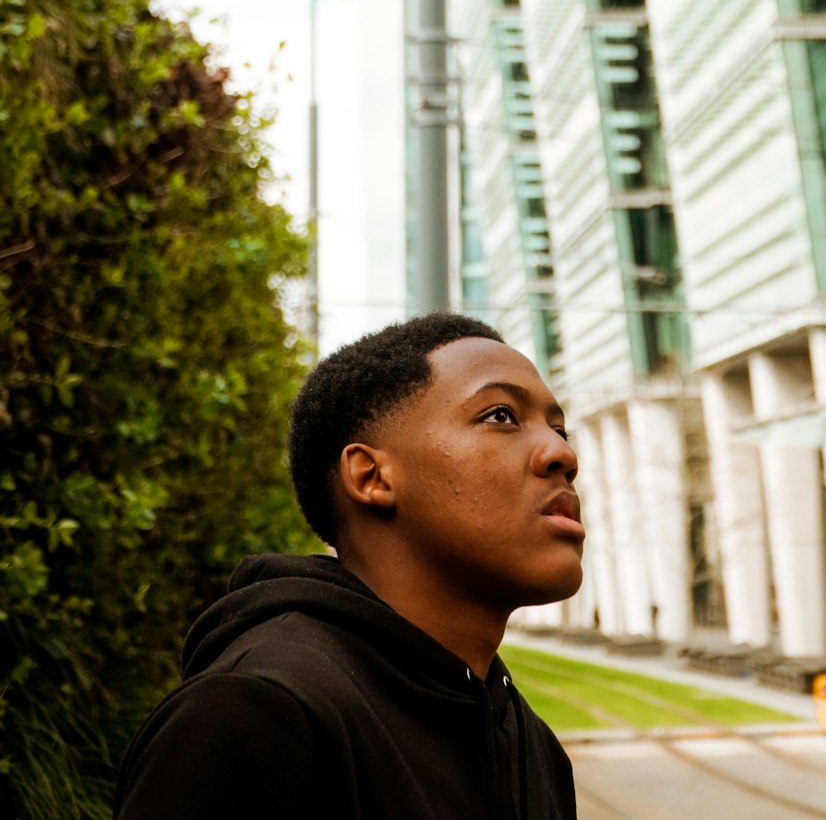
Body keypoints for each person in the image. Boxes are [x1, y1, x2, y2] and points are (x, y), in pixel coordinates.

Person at [114, 311, 585, 819]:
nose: (562, 453)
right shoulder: (256, 715)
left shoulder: (531, 743)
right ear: (371, 476)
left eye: (559, 428)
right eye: (500, 416)